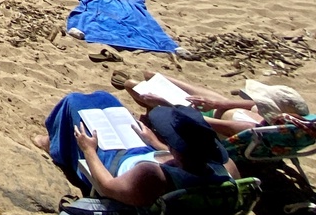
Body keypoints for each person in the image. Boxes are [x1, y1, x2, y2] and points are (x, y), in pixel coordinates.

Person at [42, 96, 237, 207]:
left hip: (114, 160)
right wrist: (154, 143)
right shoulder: (227, 168)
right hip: (144, 152)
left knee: (73, 102)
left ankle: (52, 144)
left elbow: (107, 186)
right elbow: (190, 158)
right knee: (105, 98)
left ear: (176, 148)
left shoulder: (153, 176)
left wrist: (89, 150)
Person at [111, 71, 309, 138]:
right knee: (152, 76)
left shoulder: (249, 128)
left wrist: (165, 103)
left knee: (135, 87)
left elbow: (200, 122)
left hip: (201, 116)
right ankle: (150, 97)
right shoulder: (267, 115)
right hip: (216, 105)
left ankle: (150, 109)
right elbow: (252, 103)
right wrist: (214, 102)